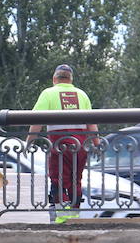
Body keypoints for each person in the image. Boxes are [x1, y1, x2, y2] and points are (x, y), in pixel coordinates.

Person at [29, 64, 97, 213]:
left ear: (54, 79)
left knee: (58, 180)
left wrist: (29, 142)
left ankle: (62, 216)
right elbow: (92, 123)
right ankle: (74, 214)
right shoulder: (82, 95)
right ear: (71, 80)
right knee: (76, 181)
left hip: (59, 146)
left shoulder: (48, 93)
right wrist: (97, 143)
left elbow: (36, 121)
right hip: (80, 146)